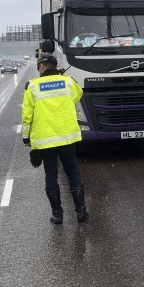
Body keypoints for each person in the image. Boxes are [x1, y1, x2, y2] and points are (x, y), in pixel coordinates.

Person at [22, 53, 88, 225]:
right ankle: (81, 212)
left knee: (51, 175)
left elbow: (27, 116)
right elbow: (77, 95)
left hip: (46, 140)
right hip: (67, 137)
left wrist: (25, 138)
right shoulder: (67, 81)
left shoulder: (33, 87)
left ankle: (57, 215)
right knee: (73, 173)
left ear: (42, 67)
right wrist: (63, 77)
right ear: (56, 66)